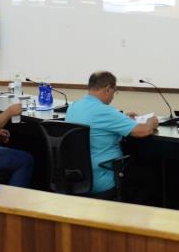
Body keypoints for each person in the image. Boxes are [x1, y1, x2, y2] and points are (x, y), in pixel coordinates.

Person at [65, 70, 158, 198]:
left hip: (76, 178)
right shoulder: (104, 111)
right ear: (108, 89)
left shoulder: (74, 106)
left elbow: (100, 124)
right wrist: (151, 121)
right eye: (115, 91)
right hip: (104, 178)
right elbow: (143, 131)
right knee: (150, 177)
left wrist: (123, 118)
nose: (114, 96)